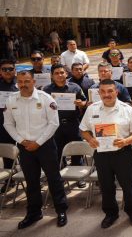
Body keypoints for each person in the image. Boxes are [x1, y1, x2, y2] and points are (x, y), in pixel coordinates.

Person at [3, 70, 68, 229]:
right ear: (17, 83)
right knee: (31, 182)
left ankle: (61, 210)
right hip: (25, 147)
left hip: (45, 146)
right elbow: (8, 124)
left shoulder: (46, 99)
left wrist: (37, 142)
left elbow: (54, 124)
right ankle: (34, 213)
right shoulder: (12, 100)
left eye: (26, 81)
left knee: (54, 179)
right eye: (20, 82)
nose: (23, 85)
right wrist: (21, 141)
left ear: (34, 81)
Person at [79, 79, 132, 229]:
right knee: (106, 186)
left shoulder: (127, 109)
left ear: (116, 92)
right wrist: (90, 139)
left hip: (123, 153)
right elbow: (83, 129)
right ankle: (110, 214)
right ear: (99, 93)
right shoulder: (92, 109)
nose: (106, 94)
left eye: (110, 91)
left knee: (129, 186)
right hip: (101, 154)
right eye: (103, 91)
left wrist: (127, 141)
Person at [43, 64, 87, 187]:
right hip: (55, 126)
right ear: (52, 75)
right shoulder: (46, 90)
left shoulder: (75, 87)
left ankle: (79, 176)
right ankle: (60, 177)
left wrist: (81, 103)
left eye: (62, 72)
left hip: (72, 123)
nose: (60, 75)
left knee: (77, 151)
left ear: (66, 74)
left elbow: (84, 101)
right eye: (56, 73)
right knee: (57, 152)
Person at [0, 59, 18, 194]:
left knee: (26, 153)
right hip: (3, 126)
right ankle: (9, 179)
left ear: (15, 70)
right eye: (4, 69)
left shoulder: (21, 83)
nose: (7, 71)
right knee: (7, 155)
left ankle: (34, 178)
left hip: (22, 125)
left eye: (10, 69)